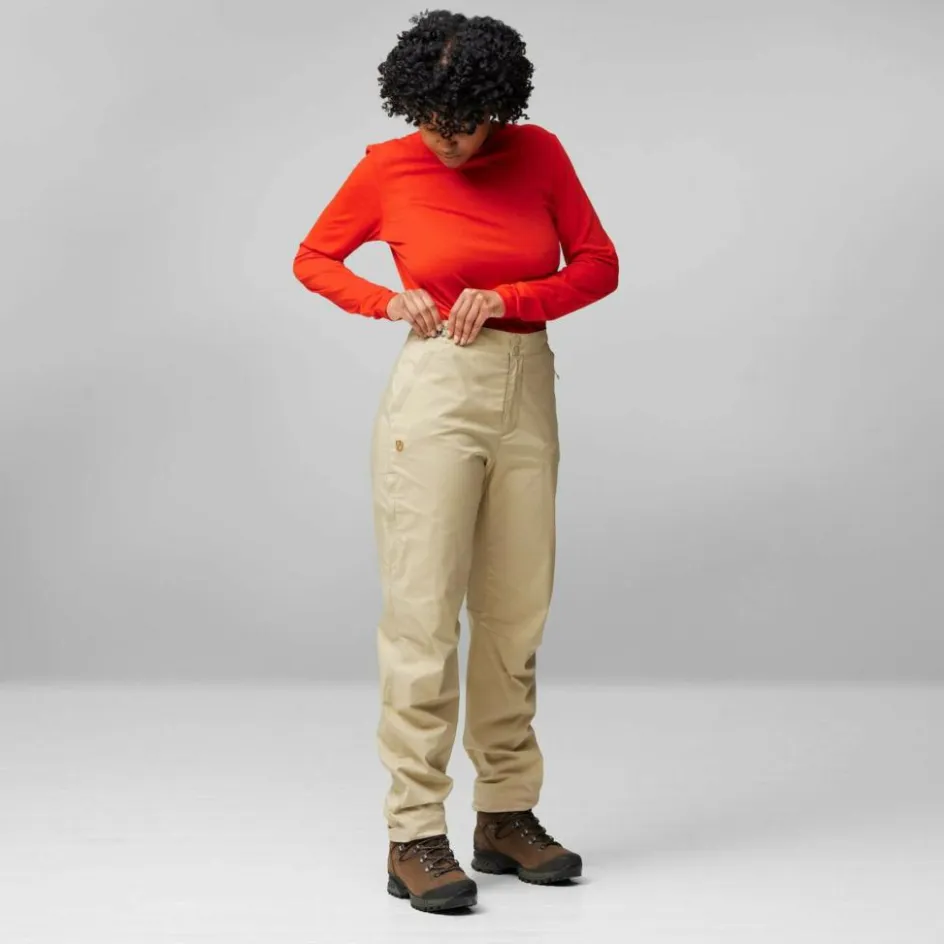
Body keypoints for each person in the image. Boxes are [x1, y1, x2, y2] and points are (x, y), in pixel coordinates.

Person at [292, 10, 619, 914]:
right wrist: (386, 302)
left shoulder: (540, 155)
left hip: (526, 388)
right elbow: (314, 257)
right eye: (431, 120)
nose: (447, 139)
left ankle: (505, 814)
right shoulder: (387, 167)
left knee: (515, 613)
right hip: (435, 391)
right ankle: (413, 832)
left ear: (498, 107)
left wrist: (511, 295)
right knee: (424, 617)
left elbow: (598, 264)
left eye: (466, 123)